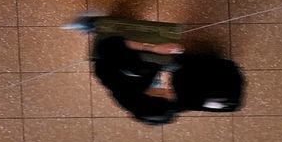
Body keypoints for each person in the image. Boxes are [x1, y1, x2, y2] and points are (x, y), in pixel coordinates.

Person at [66, 15, 243, 124]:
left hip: (123, 53)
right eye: (168, 94)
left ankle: (95, 24)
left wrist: (152, 48)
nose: (167, 89)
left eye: (160, 92)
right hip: (162, 66)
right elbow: (227, 105)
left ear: (143, 94)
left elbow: (109, 46)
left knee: (112, 37)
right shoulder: (170, 102)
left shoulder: (120, 76)